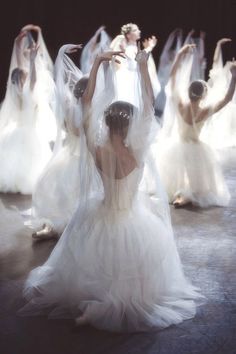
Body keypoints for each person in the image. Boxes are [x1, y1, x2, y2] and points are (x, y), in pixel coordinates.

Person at [19, 47, 202, 332]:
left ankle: (93, 304)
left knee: (95, 265)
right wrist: (142, 66)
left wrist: (97, 64)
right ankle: (104, 308)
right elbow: (149, 102)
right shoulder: (138, 152)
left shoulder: (96, 148)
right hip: (131, 218)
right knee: (128, 273)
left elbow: (86, 103)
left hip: (100, 213)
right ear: (131, 125)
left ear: (106, 122)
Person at [30, 44, 101, 240]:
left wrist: (60, 54)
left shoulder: (68, 109)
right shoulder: (88, 113)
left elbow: (58, 84)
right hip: (81, 160)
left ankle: (53, 226)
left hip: (68, 158)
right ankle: (60, 226)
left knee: (62, 196)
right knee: (75, 195)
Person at [157, 44, 236, 208]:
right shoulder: (204, 111)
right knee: (195, 180)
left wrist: (180, 55)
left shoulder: (180, 105)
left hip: (178, 144)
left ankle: (179, 195)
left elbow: (172, 78)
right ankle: (187, 195)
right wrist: (234, 77)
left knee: (177, 173)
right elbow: (227, 99)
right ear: (203, 95)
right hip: (195, 147)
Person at [0, 28, 52, 194]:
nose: (27, 75)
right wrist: (32, 60)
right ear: (23, 79)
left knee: (16, 161)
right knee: (30, 162)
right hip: (31, 133)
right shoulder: (29, 92)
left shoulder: (15, 93)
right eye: (25, 75)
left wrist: (16, 46)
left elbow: (17, 69)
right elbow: (32, 77)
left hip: (17, 131)